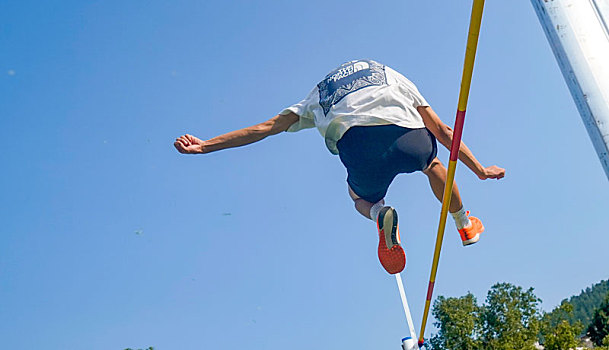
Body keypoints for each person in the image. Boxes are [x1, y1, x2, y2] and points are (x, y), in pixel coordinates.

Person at [174, 59, 505, 275]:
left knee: (360, 197)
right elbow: (443, 130)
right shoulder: (387, 73)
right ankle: (464, 225)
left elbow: (265, 128)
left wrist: (206, 145)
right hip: (408, 137)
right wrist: (478, 169)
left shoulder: (318, 93)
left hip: (358, 149)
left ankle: (379, 215)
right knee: (432, 162)